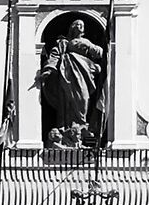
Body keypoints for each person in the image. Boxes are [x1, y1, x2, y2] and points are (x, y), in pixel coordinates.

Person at [38, 16, 107, 146]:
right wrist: (48, 69)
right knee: (65, 102)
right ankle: (66, 128)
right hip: (66, 76)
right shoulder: (63, 43)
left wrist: (90, 46)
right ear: (72, 28)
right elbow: (55, 56)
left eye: (82, 26)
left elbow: (100, 53)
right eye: (77, 25)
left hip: (84, 74)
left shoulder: (86, 42)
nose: (80, 27)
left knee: (83, 99)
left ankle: (81, 126)